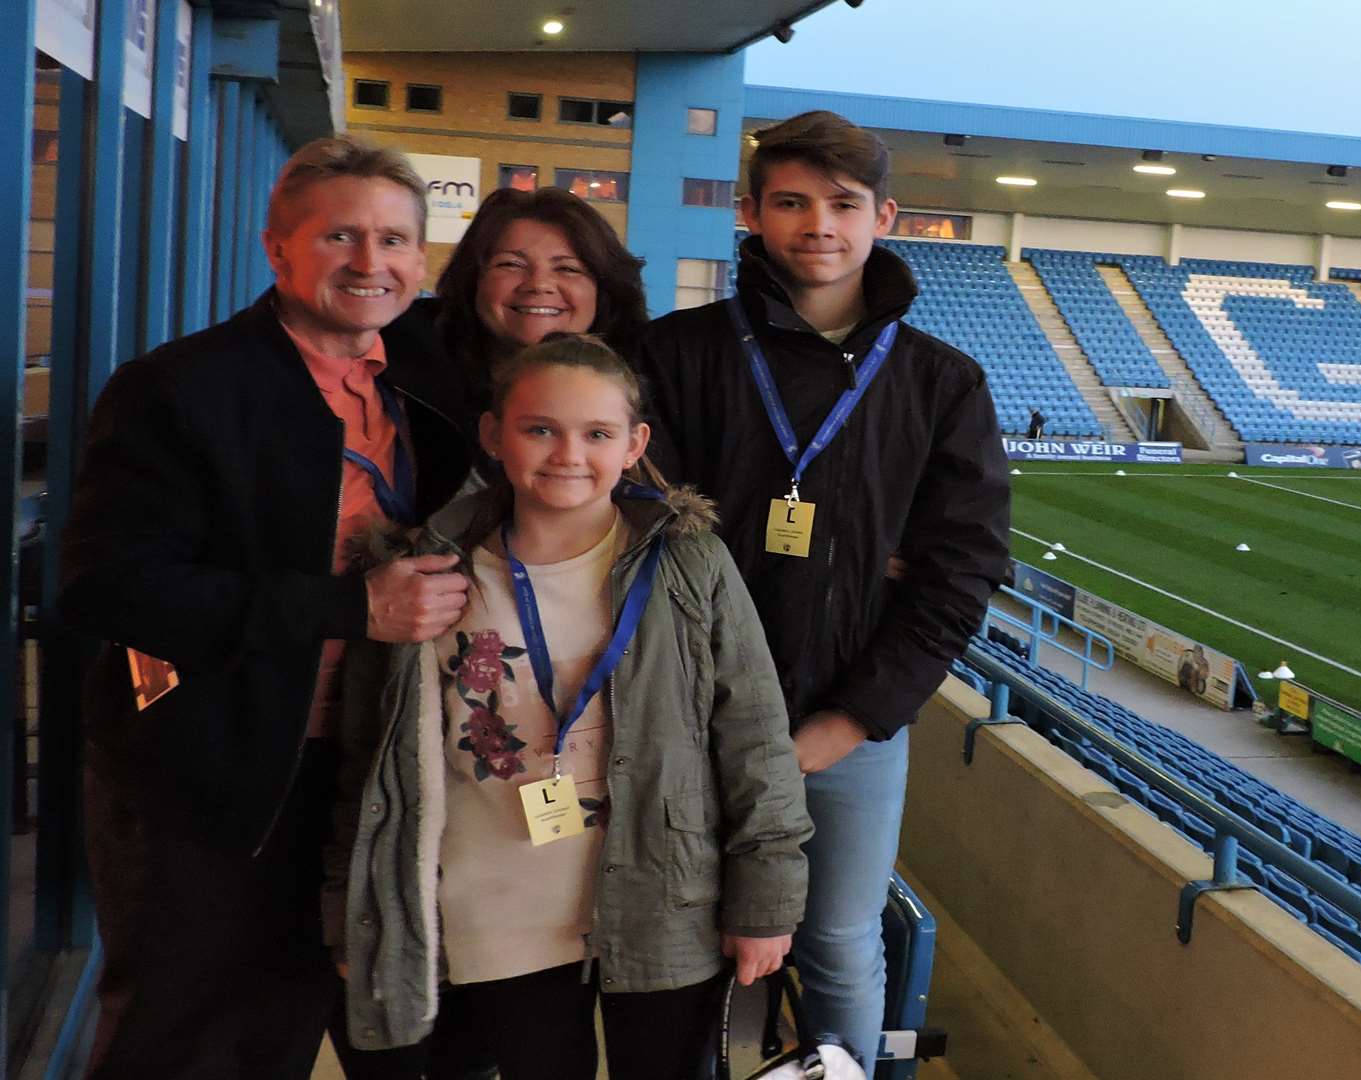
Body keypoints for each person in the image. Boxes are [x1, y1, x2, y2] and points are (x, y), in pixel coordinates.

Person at [57, 136, 474, 1077]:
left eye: (396, 240)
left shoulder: (422, 381)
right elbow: (108, 584)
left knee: (290, 1017)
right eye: (340, 236)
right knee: (184, 1030)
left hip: (363, 755)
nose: (372, 262)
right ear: (275, 248)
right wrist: (345, 608)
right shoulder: (179, 387)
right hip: (209, 767)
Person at [327, 335, 813, 1080]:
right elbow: (368, 758)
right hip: (498, 902)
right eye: (539, 429)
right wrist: (347, 902)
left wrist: (767, 900)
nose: (568, 454)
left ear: (634, 445)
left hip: (664, 894)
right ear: (494, 434)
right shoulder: (423, 570)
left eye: (597, 434)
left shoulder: (687, 562)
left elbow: (753, 735)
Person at [636, 110, 1010, 1074]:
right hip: (689, 715)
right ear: (752, 213)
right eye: (791, 202)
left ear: (883, 216)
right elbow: (641, 530)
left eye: (843, 204)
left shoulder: (943, 384)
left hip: (848, 724)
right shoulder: (678, 355)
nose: (818, 226)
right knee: (685, 938)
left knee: (838, 942)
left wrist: (848, 723)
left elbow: (960, 571)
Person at [422, 185, 648, 419]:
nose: (539, 284)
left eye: (567, 268)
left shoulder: (654, 394)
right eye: (511, 264)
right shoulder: (408, 378)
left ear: (603, 290)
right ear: (473, 279)